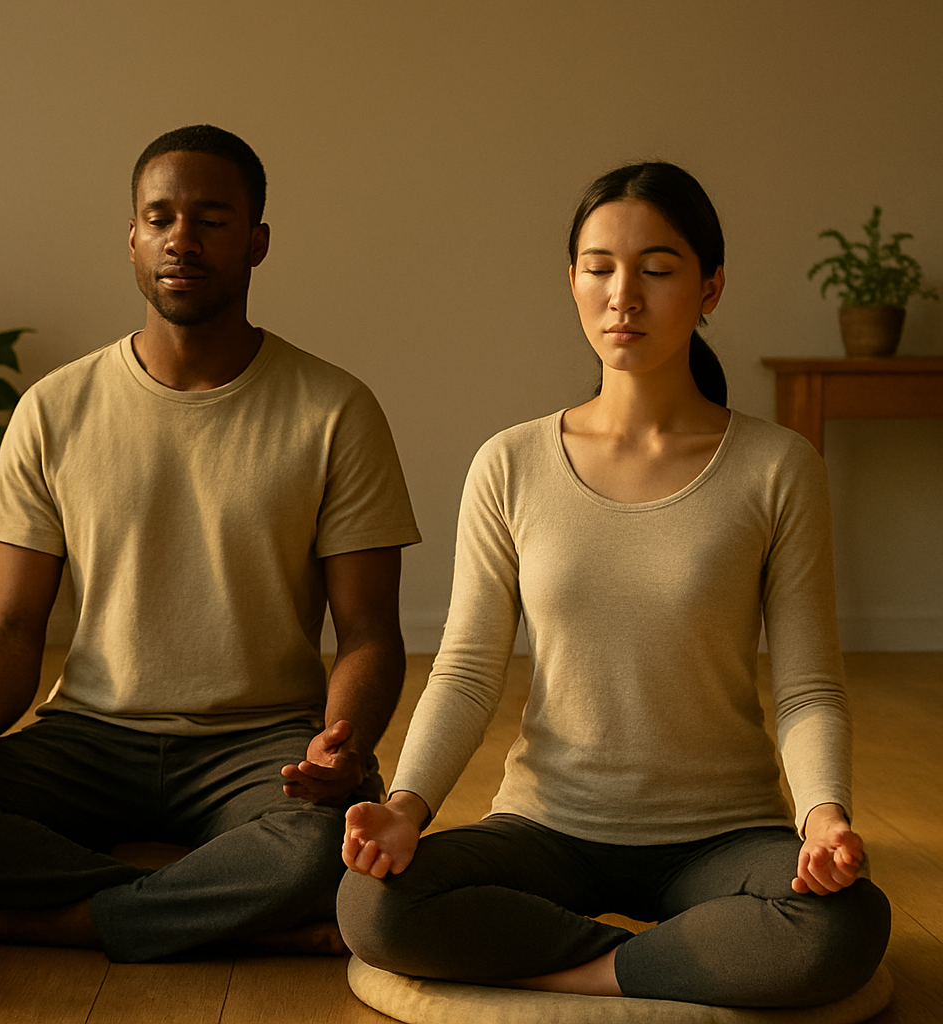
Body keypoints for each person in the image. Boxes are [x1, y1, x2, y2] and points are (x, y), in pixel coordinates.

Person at [336, 161, 891, 1007]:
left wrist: (823, 818)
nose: (623, 295)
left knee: (845, 926)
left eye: (657, 270)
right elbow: (467, 670)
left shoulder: (778, 467)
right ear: (572, 281)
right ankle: (670, 965)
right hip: (547, 826)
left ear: (710, 288)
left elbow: (809, 687)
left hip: (725, 837)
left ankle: (585, 970)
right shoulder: (510, 464)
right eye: (599, 268)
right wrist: (407, 808)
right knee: (371, 903)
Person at [0, 124, 421, 963]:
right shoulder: (54, 409)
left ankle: (61, 922)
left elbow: (370, 632)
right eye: (159, 218)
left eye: (212, 219)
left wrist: (344, 744)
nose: (182, 240)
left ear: (258, 242)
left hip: (261, 742)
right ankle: (202, 910)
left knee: (327, 841)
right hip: (89, 732)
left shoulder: (335, 410)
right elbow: (12, 625)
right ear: (131, 239)